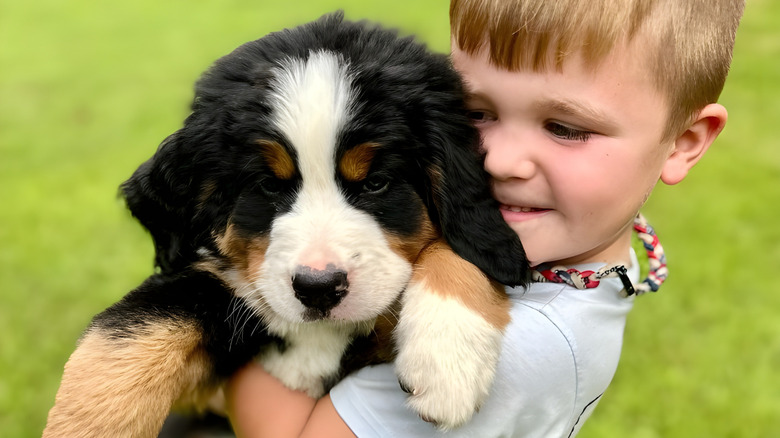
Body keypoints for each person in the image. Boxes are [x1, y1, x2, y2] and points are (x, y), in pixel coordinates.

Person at [225, 0, 745, 436]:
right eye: (474, 112)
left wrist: (243, 324)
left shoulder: (517, 349)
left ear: (683, 143)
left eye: (565, 128)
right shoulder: (581, 253)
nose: (498, 160)